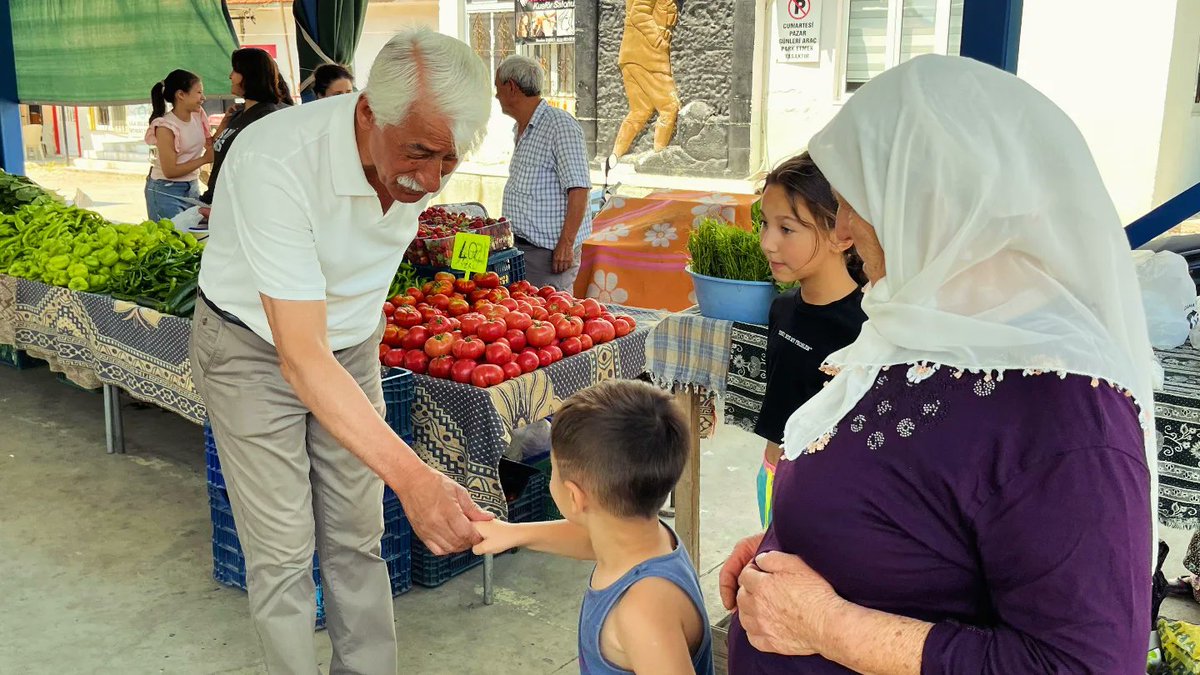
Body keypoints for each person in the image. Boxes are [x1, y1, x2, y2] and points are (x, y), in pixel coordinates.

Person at [721, 55, 1156, 674]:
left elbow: (1085, 664)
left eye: (855, 200)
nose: (842, 225)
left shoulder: (1067, 412)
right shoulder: (915, 329)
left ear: (935, 206)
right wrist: (788, 542)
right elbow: (907, 516)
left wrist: (825, 623)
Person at [190, 28, 493, 674]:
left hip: (350, 343)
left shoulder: (417, 165)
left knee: (358, 533)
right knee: (282, 550)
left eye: (450, 161)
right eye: (419, 153)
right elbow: (299, 357)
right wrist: (414, 476)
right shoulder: (277, 160)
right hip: (251, 346)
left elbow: (326, 349)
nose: (432, 180)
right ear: (365, 113)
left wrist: (404, 478)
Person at [472, 380, 715, 674]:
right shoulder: (647, 536)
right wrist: (511, 534)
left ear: (575, 496)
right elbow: (591, 539)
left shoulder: (643, 612)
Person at [752, 152, 866, 528]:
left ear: (841, 234)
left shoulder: (866, 327)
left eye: (787, 229)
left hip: (826, 495)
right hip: (770, 474)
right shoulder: (782, 309)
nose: (768, 243)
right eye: (765, 224)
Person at [496, 54, 592, 290]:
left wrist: (566, 244)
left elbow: (579, 189)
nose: (496, 95)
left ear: (511, 87)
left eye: (497, 88)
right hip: (521, 249)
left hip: (549, 253)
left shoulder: (559, 125)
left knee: (550, 319)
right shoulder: (520, 128)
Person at [199, 48, 293, 207]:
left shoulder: (266, 117)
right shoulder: (238, 114)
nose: (230, 76)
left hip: (239, 206)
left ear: (250, 76)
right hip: (217, 201)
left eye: (235, 70)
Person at [611, 0, 681, 161]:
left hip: (633, 54)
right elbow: (638, 14)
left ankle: (614, 156)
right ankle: (659, 157)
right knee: (669, 107)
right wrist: (658, 41)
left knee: (640, 111)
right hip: (647, 56)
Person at [144, 69, 212, 221]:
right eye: (199, 92)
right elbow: (170, 171)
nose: (203, 97)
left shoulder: (198, 114)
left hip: (191, 187)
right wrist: (204, 159)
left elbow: (209, 143)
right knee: (172, 239)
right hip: (166, 191)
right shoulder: (165, 126)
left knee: (190, 239)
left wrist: (226, 122)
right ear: (181, 95)